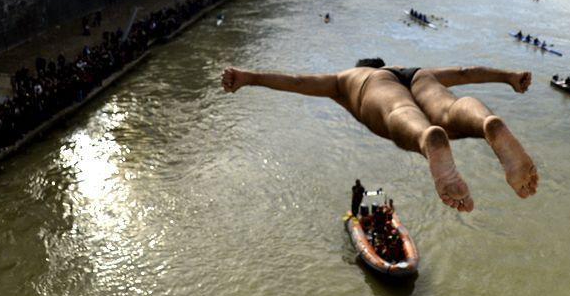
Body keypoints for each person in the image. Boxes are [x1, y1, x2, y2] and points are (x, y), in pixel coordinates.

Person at [222, 61, 538, 212]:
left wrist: (249, 78)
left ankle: (428, 138)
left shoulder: (347, 78)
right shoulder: (408, 69)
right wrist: (508, 77)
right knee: (449, 108)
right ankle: (486, 123)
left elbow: (297, 80)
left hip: (370, 86)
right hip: (419, 75)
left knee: (398, 112)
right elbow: (468, 73)